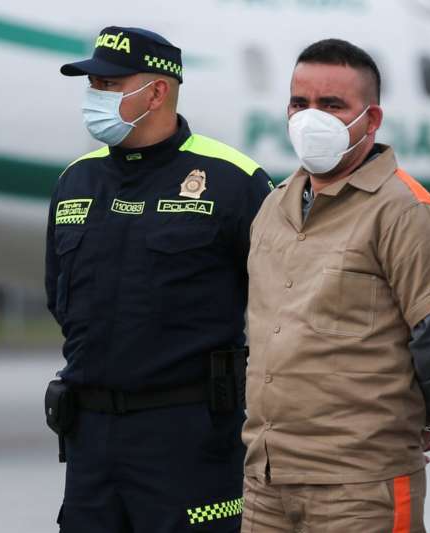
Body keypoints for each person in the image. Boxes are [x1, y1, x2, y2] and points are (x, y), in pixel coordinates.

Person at [241, 39, 430, 532]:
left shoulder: (405, 211)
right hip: (267, 482)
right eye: (299, 103)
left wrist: (408, 418)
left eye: (332, 106)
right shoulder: (274, 206)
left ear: (371, 120)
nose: (311, 118)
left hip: (358, 486)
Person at [44, 26, 272, 533]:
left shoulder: (235, 181)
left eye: (109, 85)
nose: (94, 96)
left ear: (157, 91)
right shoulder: (75, 181)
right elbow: (61, 298)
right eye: (93, 85)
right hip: (90, 440)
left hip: (189, 439)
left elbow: (283, 312)